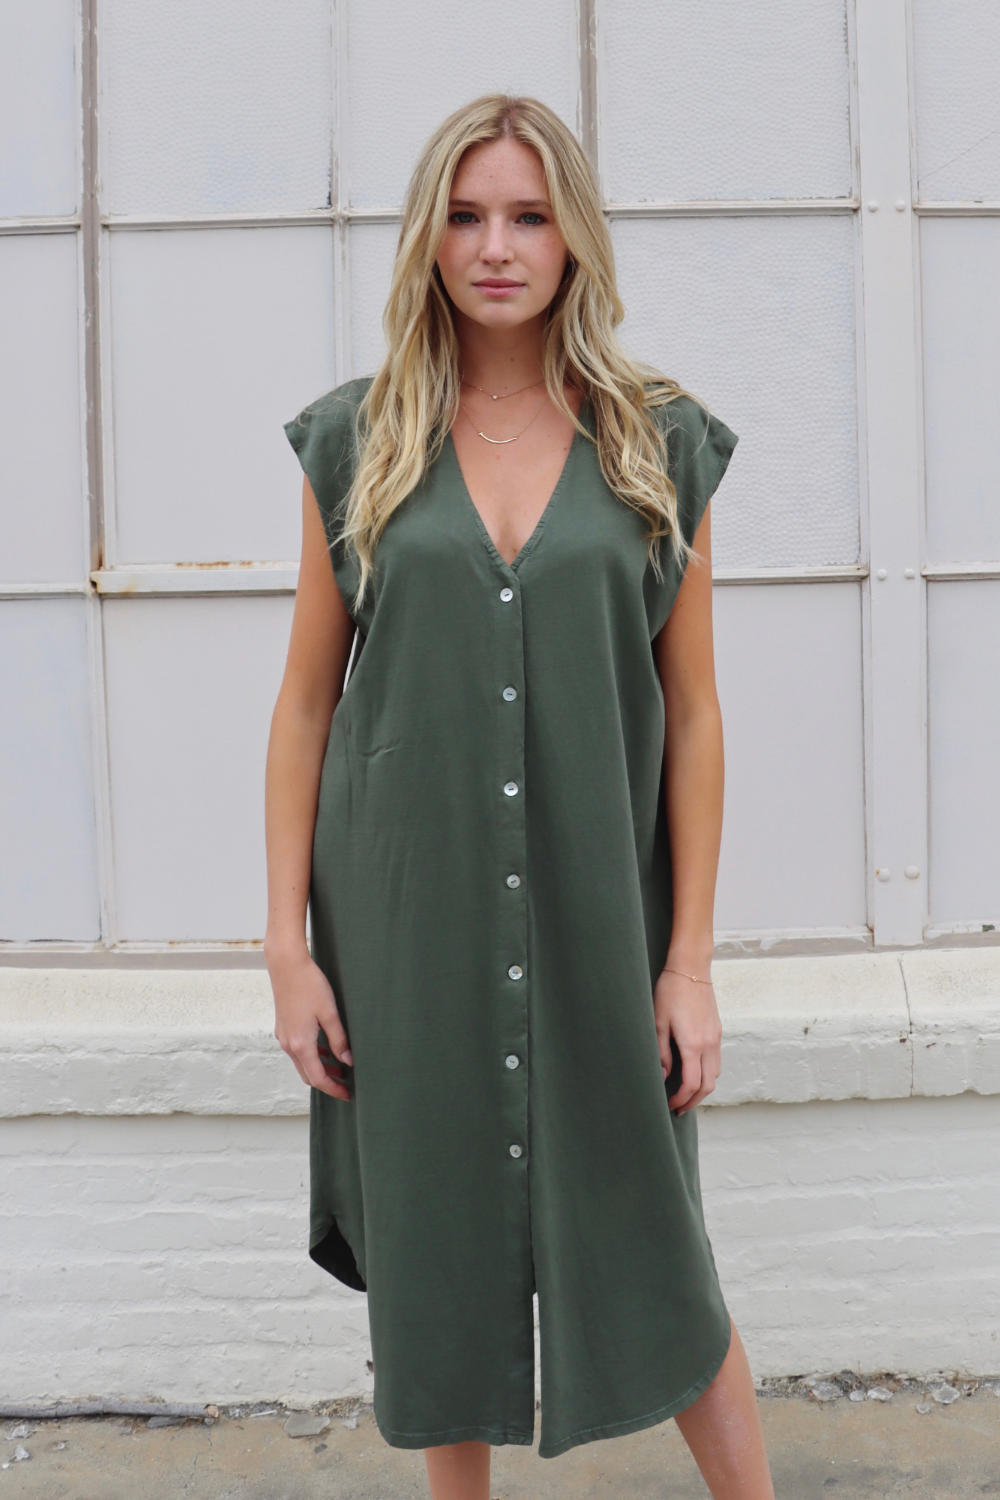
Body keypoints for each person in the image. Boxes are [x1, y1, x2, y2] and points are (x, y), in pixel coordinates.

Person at [265, 93, 773, 1500]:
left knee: (660, 1251)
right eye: (469, 216)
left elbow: (694, 711)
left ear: (574, 239)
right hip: (406, 921)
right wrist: (287, 948)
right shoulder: (359, 442)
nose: (497, 247)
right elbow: (304, 704)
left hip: (600, 914)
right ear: (430, 239)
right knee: (436, 1258)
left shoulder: (656, 442)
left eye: (530, 217)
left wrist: (688, 964)